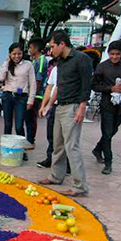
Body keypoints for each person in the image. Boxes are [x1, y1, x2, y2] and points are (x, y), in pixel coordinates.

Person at [38, 30, 92, 196]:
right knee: (58, 145)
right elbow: (59, 86)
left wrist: (82, 107)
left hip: (74, 107)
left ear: (62, 44)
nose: (50, 50)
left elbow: (86, 84)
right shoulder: (60, 62)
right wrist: (49, 105)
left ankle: (80, 186)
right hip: (60, 107)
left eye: (53, 46)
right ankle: (56, 176)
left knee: (71, 146)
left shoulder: (81, 59)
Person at [91, 40, 121, 175]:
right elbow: (94, 85)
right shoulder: (102, 67)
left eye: (117, 54)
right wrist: (110, 88)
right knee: (107, 132)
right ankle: (108, 162)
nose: (115, 57)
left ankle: (98, 149)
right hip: (106, 104)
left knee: (112, 131)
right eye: (112, 54)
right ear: (108, 53)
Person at [0, 42, 37, 161]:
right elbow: (0, 78)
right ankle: (7, 149)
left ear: (23, 53)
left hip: (21, 98)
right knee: (8, 125)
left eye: (19, 53)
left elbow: (33, 83)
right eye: (14, 54)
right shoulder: (7, 64)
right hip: (8, 96)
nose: (16, 56)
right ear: (10, 54)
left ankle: (21, 150)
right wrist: (6, 63)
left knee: (19, 125)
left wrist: (31, 100)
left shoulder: (28, 65)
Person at [24, 38, 48, 150]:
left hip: (36, 95)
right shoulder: (34, 60)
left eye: (30, 47)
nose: (29, 50)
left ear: (36, 48)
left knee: (32, 118)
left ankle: (30, 140)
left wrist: (32, 95)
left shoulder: (42, 60)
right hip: (31, 93)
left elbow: (38, 80)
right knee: (28, 118)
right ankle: (28, 138)